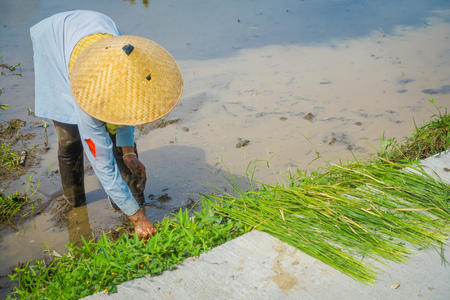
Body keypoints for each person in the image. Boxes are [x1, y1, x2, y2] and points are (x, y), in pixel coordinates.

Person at [30, 10, 183, 239]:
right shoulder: (88, 103)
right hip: (55, 41)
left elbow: (129, 112)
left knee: (120, 145)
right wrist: (139, 219)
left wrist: (129, 151)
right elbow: (103, 166)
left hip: (97, 31)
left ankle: (132, 202)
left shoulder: (129, 78)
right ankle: (77, 205)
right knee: (70, 140)